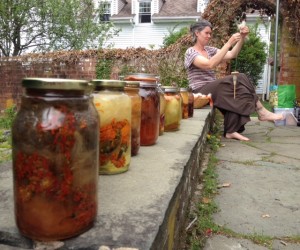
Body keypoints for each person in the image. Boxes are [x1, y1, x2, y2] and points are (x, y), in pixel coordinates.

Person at [184, 20, 284, 141]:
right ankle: (261, 110)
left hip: (213, 89)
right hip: (200, 91)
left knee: (237, 94)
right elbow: (209, 64)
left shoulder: (210, 50)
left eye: (210, 33)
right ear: (197, 33)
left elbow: (232, 55)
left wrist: (242, 38)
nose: (209, 36)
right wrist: (228, 43)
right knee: (240, 77)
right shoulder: (191, 52)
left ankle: (231, 131)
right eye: (207, 33)